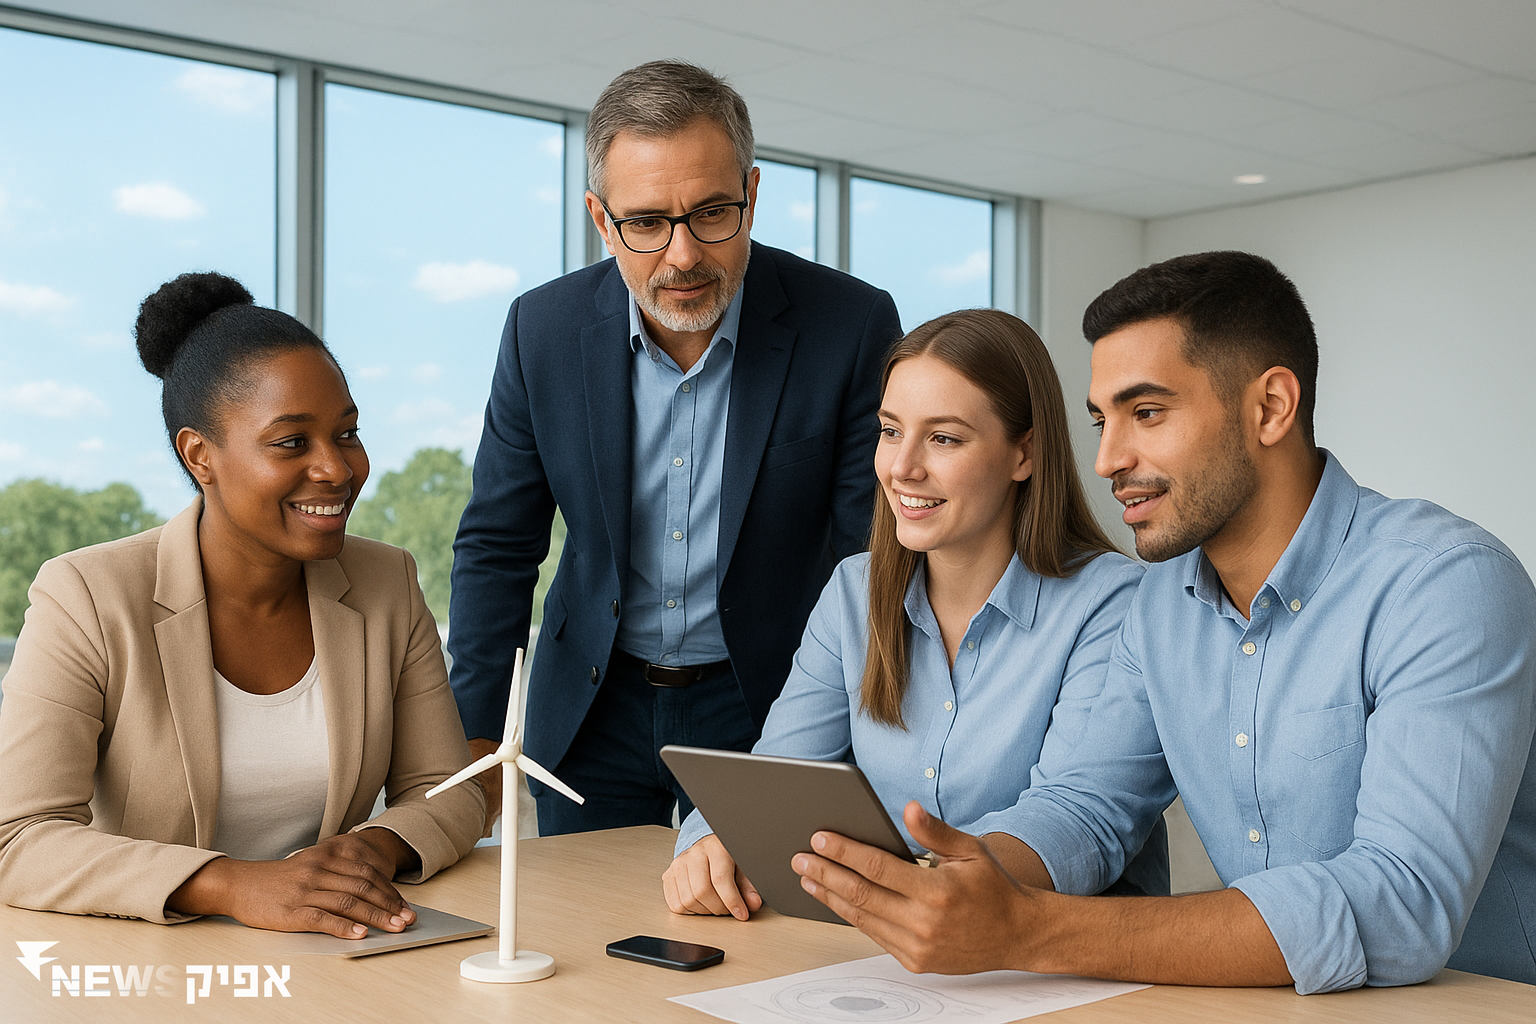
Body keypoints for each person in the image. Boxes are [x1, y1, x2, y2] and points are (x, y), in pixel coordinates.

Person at [790, 251, 1536, 992]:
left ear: (1270, 407)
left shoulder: (1445, 584)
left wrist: (1028, 929)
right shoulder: (1159, 606)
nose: (1109, 457)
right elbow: (1085, 806)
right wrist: (955, 882)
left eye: (1146, 413)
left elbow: (1401, 904)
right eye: (1100, 420)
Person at [449, 60, 901, 835]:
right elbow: (497, 544)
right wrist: (475, 737)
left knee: (756, 943)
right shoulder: (542, 332)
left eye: (712, 214)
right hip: (592, 703)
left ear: (752, 196)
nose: (684, 255)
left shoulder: (849, 326)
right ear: (600, 219)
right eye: (648, 222)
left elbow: (870, 553)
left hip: (770, 697)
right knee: (583, 937)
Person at [0, 273, 484, 937]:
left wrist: (372, 848)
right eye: (292, 442)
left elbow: (446, 789)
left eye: (347, 433)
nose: (338, 470)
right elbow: (19, 835)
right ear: (200, 455)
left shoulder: (385, 582)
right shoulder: (86, 595)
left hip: (336, 956)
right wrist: (233, 884)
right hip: (153, 964)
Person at [663, 309, 1164, 920]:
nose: (902, 468)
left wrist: (929, 885)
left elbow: (1079, 816)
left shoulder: (1113, 602)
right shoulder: (855, 591)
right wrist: (711, 842)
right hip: (884, 950)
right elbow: (777, 779)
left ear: (1024, 452)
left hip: (1058, 966)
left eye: (944, 438)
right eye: (891, 430)